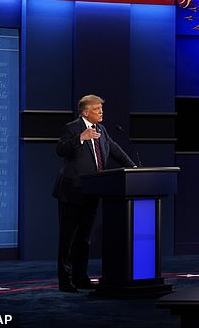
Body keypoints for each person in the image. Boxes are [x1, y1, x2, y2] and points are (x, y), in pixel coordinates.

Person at [52, 94, 136, 293]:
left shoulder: (102, 130)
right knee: (68, 239)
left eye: (101, 109)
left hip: (92, 191)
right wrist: (81, 138)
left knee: (84, 239)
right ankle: (65, 281)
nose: (101, 112)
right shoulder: (72, 128)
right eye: (97, 109)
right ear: (85, 111)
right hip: (71, 192)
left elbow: (113, 149)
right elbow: (60, 149)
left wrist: (132, 167)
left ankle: (81, 277)